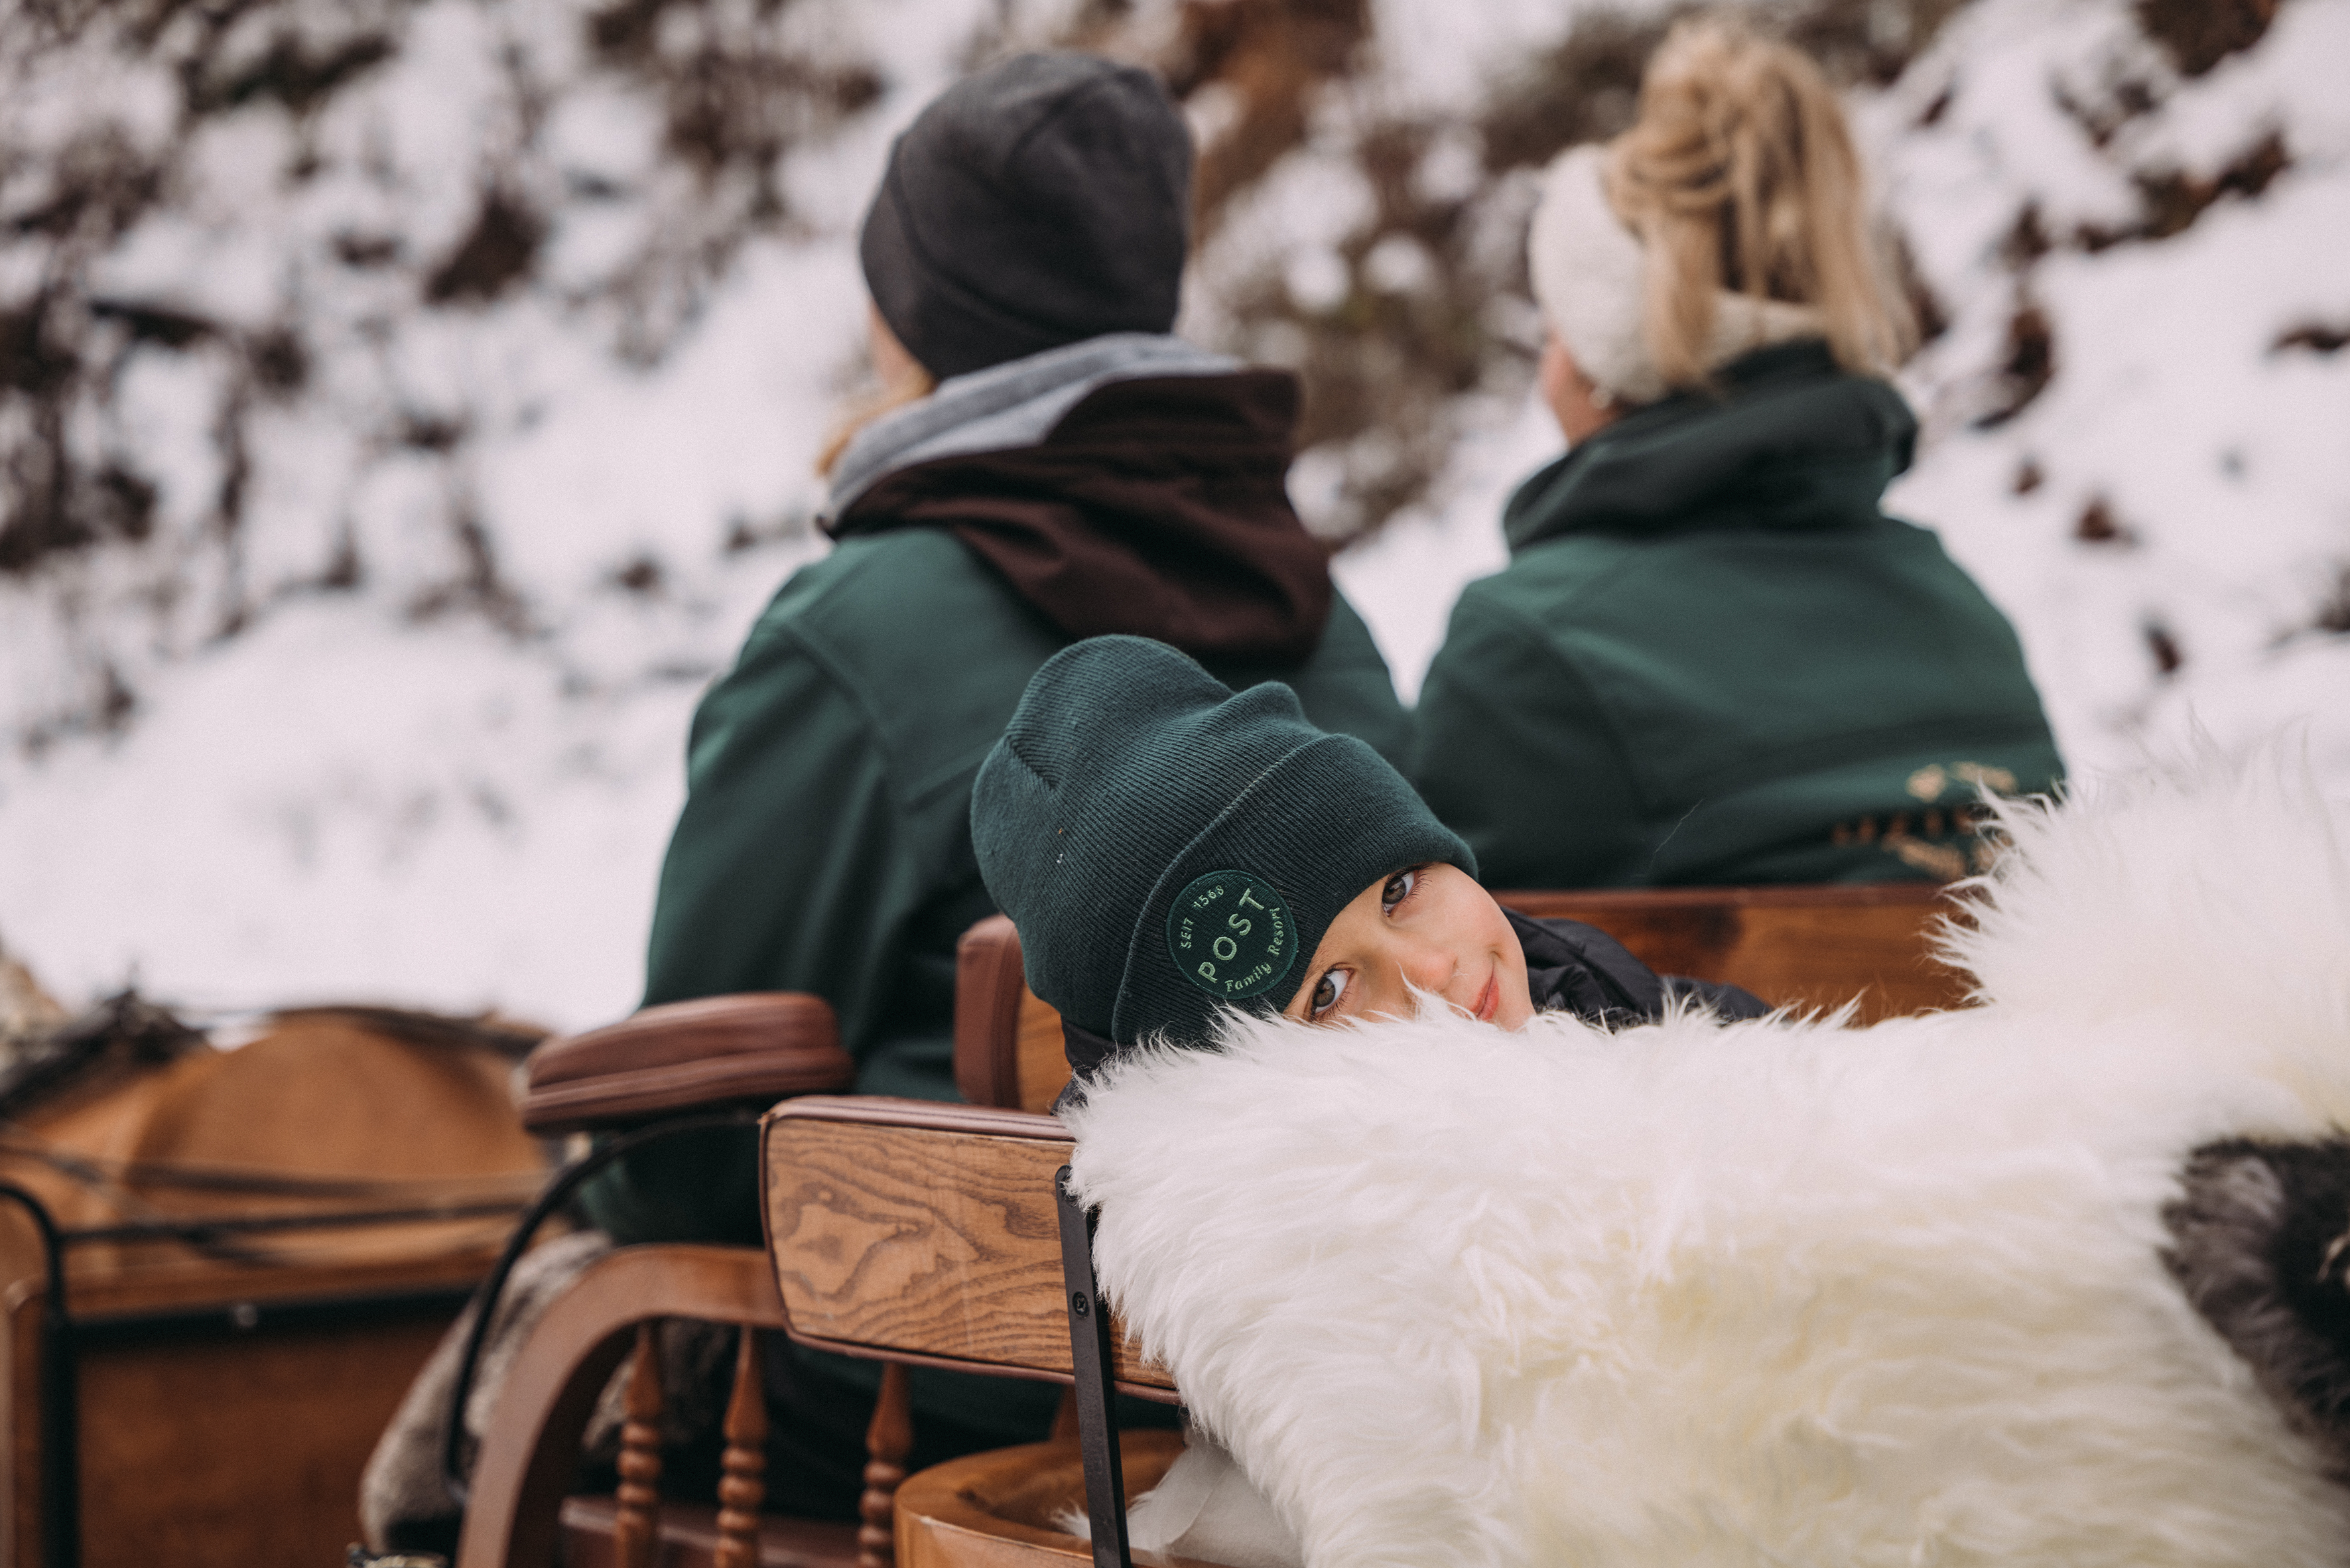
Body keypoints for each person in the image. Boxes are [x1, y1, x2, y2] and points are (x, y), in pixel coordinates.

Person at [576, 50, 1409, 1515]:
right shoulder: (1321, 613)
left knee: (470, 1420)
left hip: (955, 1386)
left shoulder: (856, 632)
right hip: (1314, 1372)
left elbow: (678, 1150)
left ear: (915, 315)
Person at [1409, 15, 2063, 891]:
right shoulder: (1962, 617)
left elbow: (1441, 990)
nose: (1547, 362)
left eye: (1555, 328)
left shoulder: (1525, 654)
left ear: (1608, 364)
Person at [972, 635, 1766, 1096]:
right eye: (1328, 992)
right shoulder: (1323, 1258)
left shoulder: (1588, 987)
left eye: (1399, 889)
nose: (1431, 971)